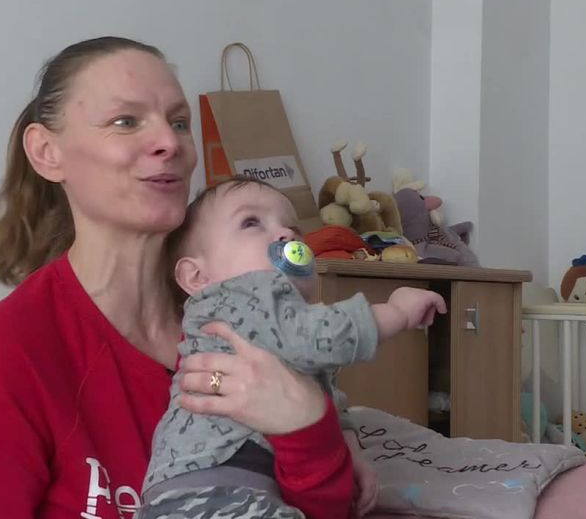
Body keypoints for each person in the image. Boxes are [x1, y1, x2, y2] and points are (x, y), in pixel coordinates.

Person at [0, 36, 359, 519]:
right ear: (47, 152)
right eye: (125, 121)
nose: (170, 142)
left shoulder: (243, 324)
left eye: (179, 122)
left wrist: (308, 427)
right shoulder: (9, 352)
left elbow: (331, 507)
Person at [137, 178, 447, 518]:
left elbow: (325, 391)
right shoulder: (231, 300)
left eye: (294, 229)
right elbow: (323, 336)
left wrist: (351, 452)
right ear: (197, 277)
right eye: (251, 222)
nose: (286, 234)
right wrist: (397, 312)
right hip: (211, 484)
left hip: (221, 488)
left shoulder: (283, 328)